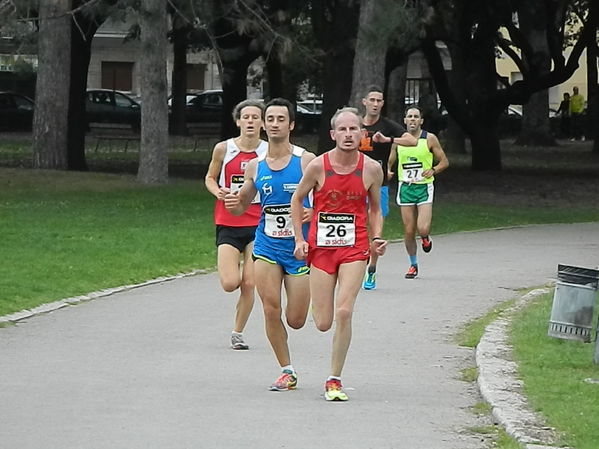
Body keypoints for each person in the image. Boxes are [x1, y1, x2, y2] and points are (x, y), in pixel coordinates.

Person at [290, 107, 388, 401]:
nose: (348, 135)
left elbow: (374, 208)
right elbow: (297, 199)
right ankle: (318, 306)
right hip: (321, 249)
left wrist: (377, 237)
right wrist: (299, 238)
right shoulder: (318, 166)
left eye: (353, 129)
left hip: (354, 248)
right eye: (342, 130)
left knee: (345, 311)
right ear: (333, 134)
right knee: (323, 322)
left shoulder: (371, 169)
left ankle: (334, 379)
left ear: (362, 133)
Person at [224, 97, 314, 390]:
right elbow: (242, 207)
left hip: (298, 249)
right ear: (264, 125)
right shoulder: (255, 166)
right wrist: (234, 203)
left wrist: (315, 212)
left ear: (291, 125)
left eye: (280, 119)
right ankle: (287, 370)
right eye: (270, 119)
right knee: (270, 309)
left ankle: (289, 344)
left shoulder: (306, 161)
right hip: (266, 247)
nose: (274, 124)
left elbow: (327, 198)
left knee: (297, 319)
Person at [204, 99, 268, 350]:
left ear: (262, 123)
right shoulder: (224, 148)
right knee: (231, 283)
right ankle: (234, 270)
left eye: (255, 117)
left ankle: (237, 332)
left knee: (250, 282)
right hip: (228, 221)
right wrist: (218, 191)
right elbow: (210, 177)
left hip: (258, 222)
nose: (251, 121)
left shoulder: (267, 151)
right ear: (238, 121)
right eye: (246, 117)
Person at [358, 85, 414, 290]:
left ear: (382, 103)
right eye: (371, 100)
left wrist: (388, 140)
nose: (375, 104)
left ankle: (371, 269)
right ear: (364, 102)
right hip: (354, 185)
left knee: (375, 231)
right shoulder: (354, 124)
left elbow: (411, 140)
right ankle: (355, 265)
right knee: (357, 228)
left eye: (379, 101)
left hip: (378, 186)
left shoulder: (388, 125)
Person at [385, 106, 449, 279]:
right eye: (409, 117)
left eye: (416, 117)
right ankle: (413, 264)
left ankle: (426, 237)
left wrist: (434, 170)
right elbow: (391, 158)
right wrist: (388, 170)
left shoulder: (429, 139)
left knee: (422, 227)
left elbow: (444, 161)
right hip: (405, 187)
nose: (412, 120)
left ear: (421, 121)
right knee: (408, 230)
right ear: (404, 120)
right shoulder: (398, 140)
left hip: (424, 187)